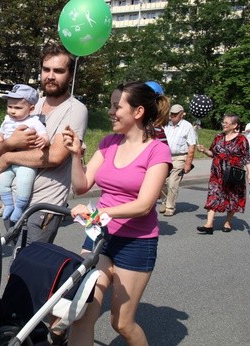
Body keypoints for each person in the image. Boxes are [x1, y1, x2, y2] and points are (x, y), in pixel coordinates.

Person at [62, 81, 171, 345]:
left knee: (121, 323)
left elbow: (144, 205)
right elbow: (81, 186)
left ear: (138, 112)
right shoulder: (109, 143)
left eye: (116, 106)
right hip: (100, 237)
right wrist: (76, 156)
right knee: (81, 315)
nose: (110, 111)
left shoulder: (158, 150)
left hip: (136, 243)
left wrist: (98, 214)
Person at [0, 41, 88, 246]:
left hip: (43, 208)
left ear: (70, 75)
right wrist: (10, 143)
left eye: (58, 70)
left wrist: (8, 155)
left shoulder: (75, 110)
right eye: (46, 69)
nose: (51, 76)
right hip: (15, 199)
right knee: (17, 265)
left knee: (28, 269)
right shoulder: (30, 105)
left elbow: (55, 156)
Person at [0, 84, 49, 222]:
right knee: (2, 180)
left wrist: (44, 141)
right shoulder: (7, 121)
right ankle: (8, 205)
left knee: (24, 182)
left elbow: (44, 134)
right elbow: (0, 136)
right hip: (10, 161)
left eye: (18, 108)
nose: (12, 111)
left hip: (26, 161)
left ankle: (20, 207)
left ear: (31, 108)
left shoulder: (33, 121)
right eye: (10, 107)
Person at [196, 114, 250, 234]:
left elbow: (247, 158)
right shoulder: (218, 137)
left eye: (226, 122)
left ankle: (228, 222)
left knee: (232, 197)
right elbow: (213, 153)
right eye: (223, 122)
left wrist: (249, 173)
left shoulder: (242, 139)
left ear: (235, 125)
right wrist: (204, 150)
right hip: (217, 173)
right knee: (213, 195)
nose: (223, 124)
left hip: (233, 174)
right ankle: (209, 224)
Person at [159, 104, 197, 216]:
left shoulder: (187, 126)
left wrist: (188, 164)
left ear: (181, 114)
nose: (173, 116)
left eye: (175, 114)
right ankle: (165, 201)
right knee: (162, 182)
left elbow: (191, 146)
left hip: (179, 157)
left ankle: (170, 208)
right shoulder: (166, 124)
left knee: (172, 183)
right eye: (172, 114)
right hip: (164, 156)